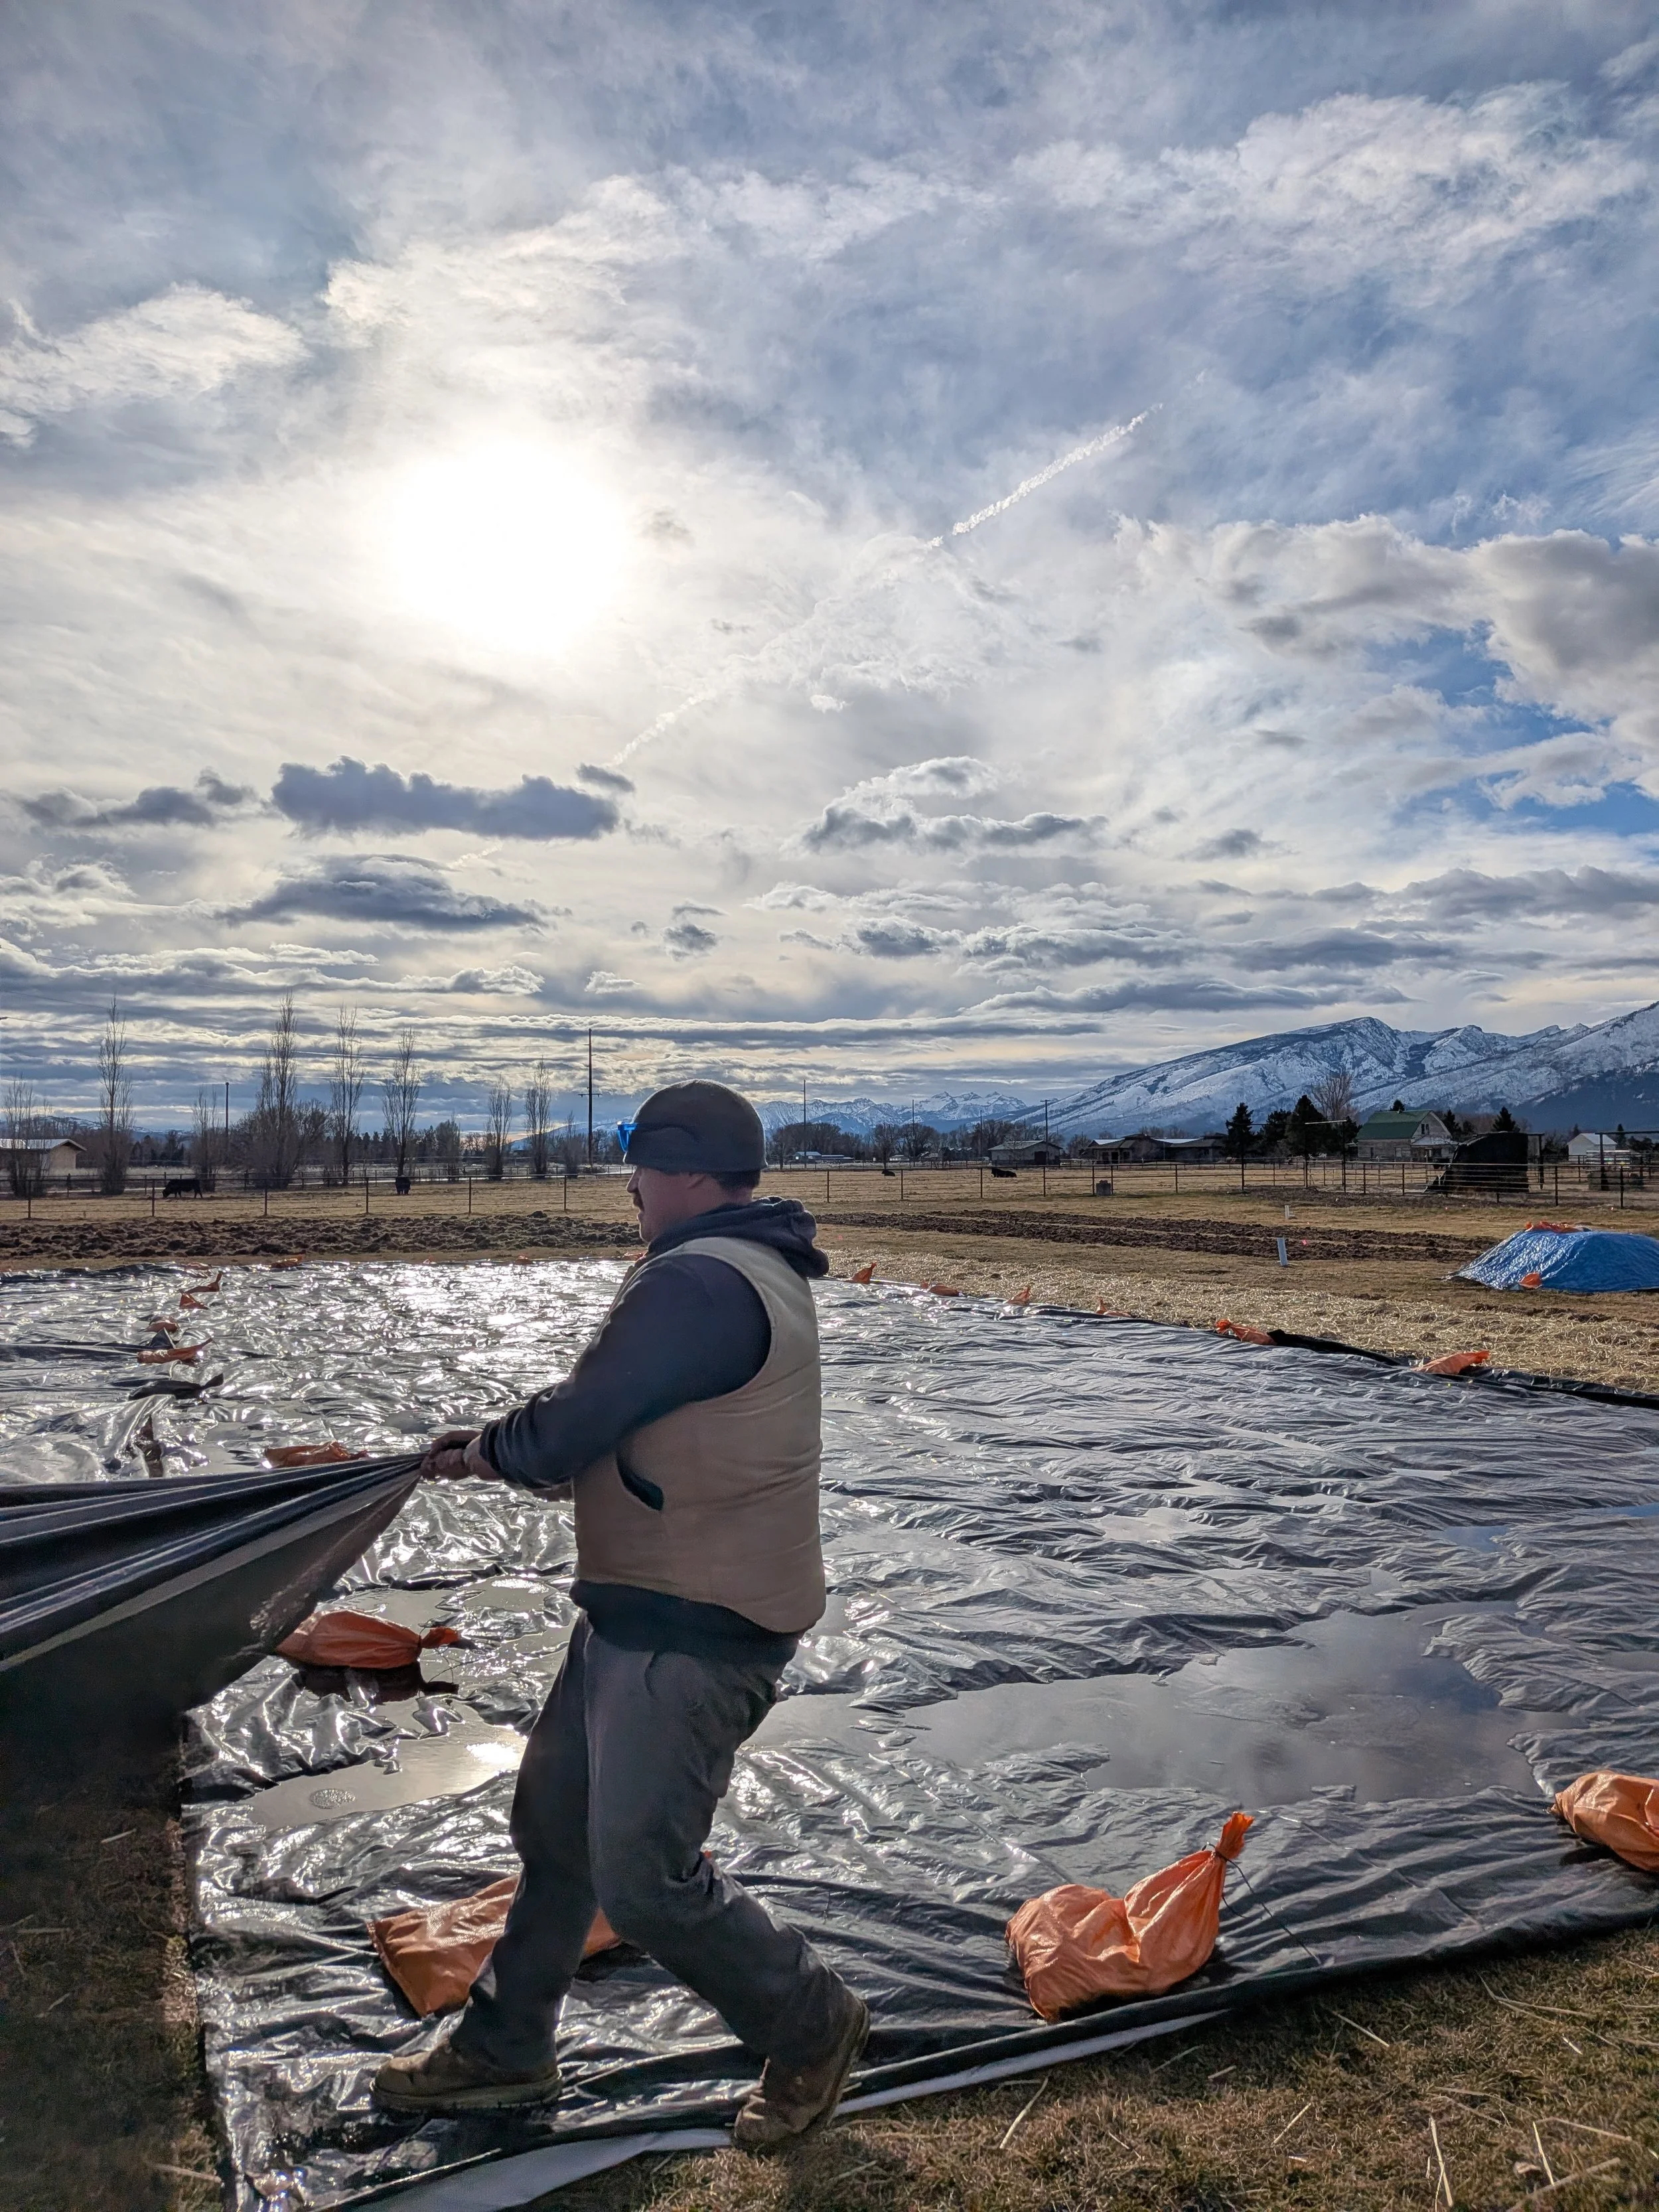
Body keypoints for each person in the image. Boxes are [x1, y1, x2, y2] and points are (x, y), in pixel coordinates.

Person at [373, 1080, 868, 2148]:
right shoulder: (743, 1268)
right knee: (557, 1834)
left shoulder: (697, 1284)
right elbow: (634, 1427)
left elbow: (580, 1421)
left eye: (640, 1169)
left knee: (644, 1880)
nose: (631, 1191)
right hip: (642, 1611)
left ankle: (813, 2023)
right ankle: (505, 2050)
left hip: (697, 1627)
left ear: (685, 1170)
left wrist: (499, 1450)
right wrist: (509, 1450)